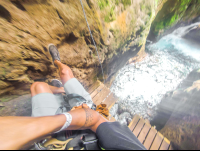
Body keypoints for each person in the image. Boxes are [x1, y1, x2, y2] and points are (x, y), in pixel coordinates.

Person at [0, 44, 146, 150]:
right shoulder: (127, 147)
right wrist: (64, 118)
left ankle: (59, 90)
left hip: (55, 138)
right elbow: (95, 119)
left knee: (38, 86)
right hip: (84, 113)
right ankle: (57, 63)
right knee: (65, 73)